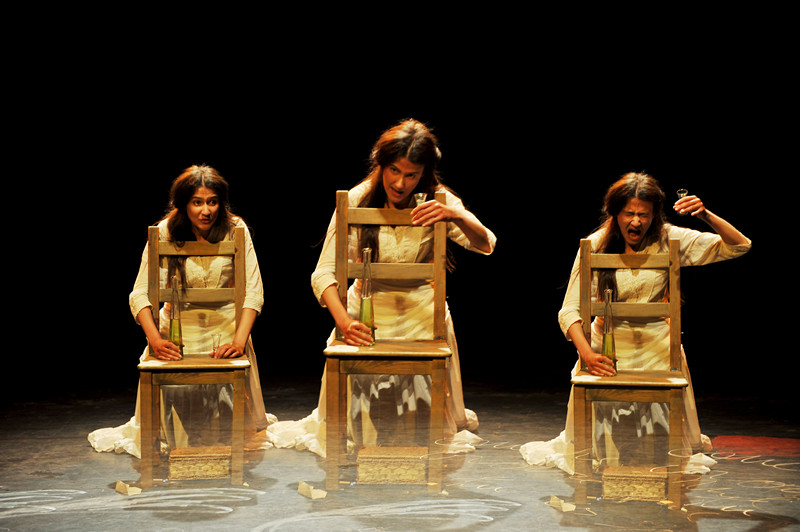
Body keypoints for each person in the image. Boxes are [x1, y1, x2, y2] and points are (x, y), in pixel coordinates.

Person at [265, 119, 496, 456]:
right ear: (380, 164)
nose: (400, 183)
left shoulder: (436, 199)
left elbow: (486, 243)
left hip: (422, 313)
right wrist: (344, 322)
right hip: (367, 312)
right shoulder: (357, 199)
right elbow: (323, 273)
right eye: (394, 171)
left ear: (424, 173)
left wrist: (455, 215)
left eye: (412, 175)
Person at [520, 172, 751, 475]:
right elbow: (569, 311)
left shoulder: (669, 238)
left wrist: (704, 214)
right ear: (615, 213)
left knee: (659, 454)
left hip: (657, 349)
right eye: (629, 213)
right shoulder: (595, 245)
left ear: (654, 215)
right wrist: (587, 354)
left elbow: (739, 245)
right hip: (607, 349)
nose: (636, 221)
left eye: (644, 214)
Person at [88, 165, 273, 457]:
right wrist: (155, 340)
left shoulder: (236, 228)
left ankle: (224, 438)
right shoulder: (165, 231)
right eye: (197, 202)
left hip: (225, 328)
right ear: (184, 203)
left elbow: (254, 290)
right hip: (177, 330)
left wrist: (239, 342)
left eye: (212, 202)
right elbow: (139, 293)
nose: (206, 210)